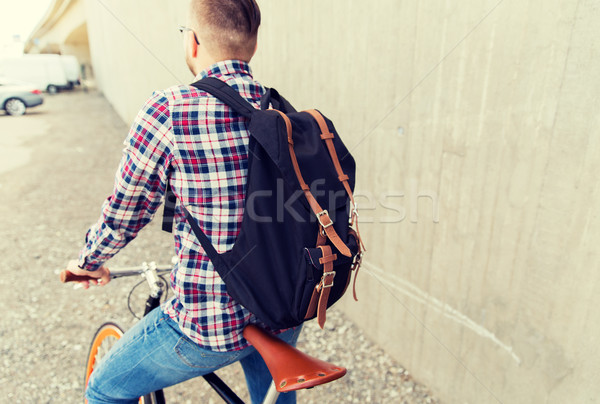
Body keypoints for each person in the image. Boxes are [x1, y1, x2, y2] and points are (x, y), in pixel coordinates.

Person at [65, 1, 301, 403]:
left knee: (103, 391)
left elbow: (126, 213)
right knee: (275, 395)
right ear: (254, 46)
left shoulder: (170, 110)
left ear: (191, 42)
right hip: (284, 308)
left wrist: (87, 262)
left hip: (211, 325)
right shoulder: (281, 111)